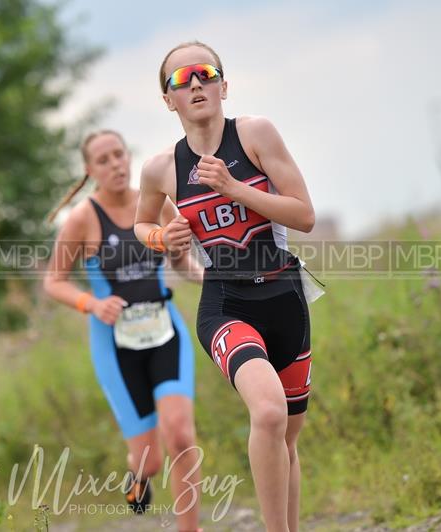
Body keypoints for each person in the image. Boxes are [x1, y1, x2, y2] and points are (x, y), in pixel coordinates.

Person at [134, 41, 316, 532]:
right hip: (226, 304)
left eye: (205, 73)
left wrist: (235, 189)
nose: (195, 83)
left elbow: (305, 215)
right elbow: (141, 224)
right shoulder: (161, 168)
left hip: (285, 298)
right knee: (269, 411)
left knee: (287, 439)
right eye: (181, 79)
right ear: (168, 99)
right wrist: (162, 236)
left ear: (223, 86)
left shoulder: (255, 134)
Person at [44, 130, 205, 531]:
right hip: (115, 347)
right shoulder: (84, 217)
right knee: (150, 460)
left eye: (119, 154)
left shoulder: (154, 203)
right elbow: (54, 281)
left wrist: (208, 276)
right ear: (89, 170)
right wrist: (92, 304)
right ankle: (138, 475)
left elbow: (183, 263)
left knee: (181, 434)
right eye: (103, 159)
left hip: (166, 332)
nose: (115, 164)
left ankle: (191, 528)